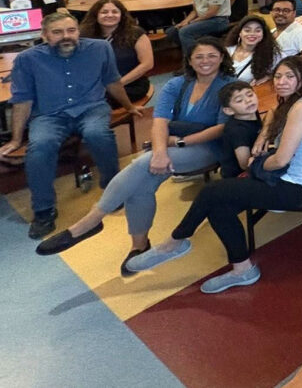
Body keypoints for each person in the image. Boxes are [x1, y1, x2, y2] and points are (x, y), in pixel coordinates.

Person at [123, 56, 302, 293]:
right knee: (218, 207)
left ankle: (174, 243)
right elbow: (273, 113)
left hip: (301, 186)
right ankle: (243, 270)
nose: (281, 81)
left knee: (212, 191)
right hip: (291, 178)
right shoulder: (290, 101)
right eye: (278, 76)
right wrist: (263, 135)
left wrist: (255, 165)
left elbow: (281, 160)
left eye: (290, 76)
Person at [34, 35, 233, 272]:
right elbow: (159, 122)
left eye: (212, 56)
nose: (205, 61)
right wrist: (160, 151)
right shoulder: (177, 84)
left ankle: (91, 221)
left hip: (208, 148)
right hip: (171, 144)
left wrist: (178, 143)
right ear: (189, 60)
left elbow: (221, 128)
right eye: (199, 56)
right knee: (141, 183)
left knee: (143, 164)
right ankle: (139, 246)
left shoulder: (229, 86)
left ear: (222, 57)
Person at [0, 13, 142, 238]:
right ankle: (44, 211)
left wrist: (128, 106)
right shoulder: (27, 59)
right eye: (57, 32)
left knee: (98, 134)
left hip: (91, 108)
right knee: (39, 147)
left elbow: (112, 81)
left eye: (71, 30)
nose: (66, 36)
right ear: (44, 35)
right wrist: (16, 139)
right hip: (49, 115)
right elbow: (22, 100)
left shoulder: (100, 49)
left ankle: (113, 190)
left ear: (78, 31)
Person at [79, 0, 153, 102]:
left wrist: (116, 85)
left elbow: (147, 64)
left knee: (93, 101)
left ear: (122, 15)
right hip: (96, 85)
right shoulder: (84, 35)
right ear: (96, 15)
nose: (110, 15)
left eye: (115, 12)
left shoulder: (136, 33)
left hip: (129, 84)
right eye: (104, 12)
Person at [166, 0, 231, 52]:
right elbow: (195, 11)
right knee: (171, 31)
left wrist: (191, 22)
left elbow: (211, 13)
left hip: (218, 20)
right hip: (203, 19)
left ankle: (192, 55)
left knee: (185, 31)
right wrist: (184, 22)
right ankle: (192, 51)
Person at [213, 81, 262, 178]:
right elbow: (244, 164)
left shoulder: (252, 112)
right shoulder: (238, 130)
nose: (248, 100)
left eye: (250, 95)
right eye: (239, 100)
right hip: (237, 176)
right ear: (229, 110)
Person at [224, 16, 279, 85]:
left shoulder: (270, 55)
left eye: (257, 31)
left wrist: (269, 76)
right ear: (240, 33)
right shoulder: (227, 50)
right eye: (247, 30)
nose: (252, 34)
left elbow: (284, 69)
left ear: (263, 34)